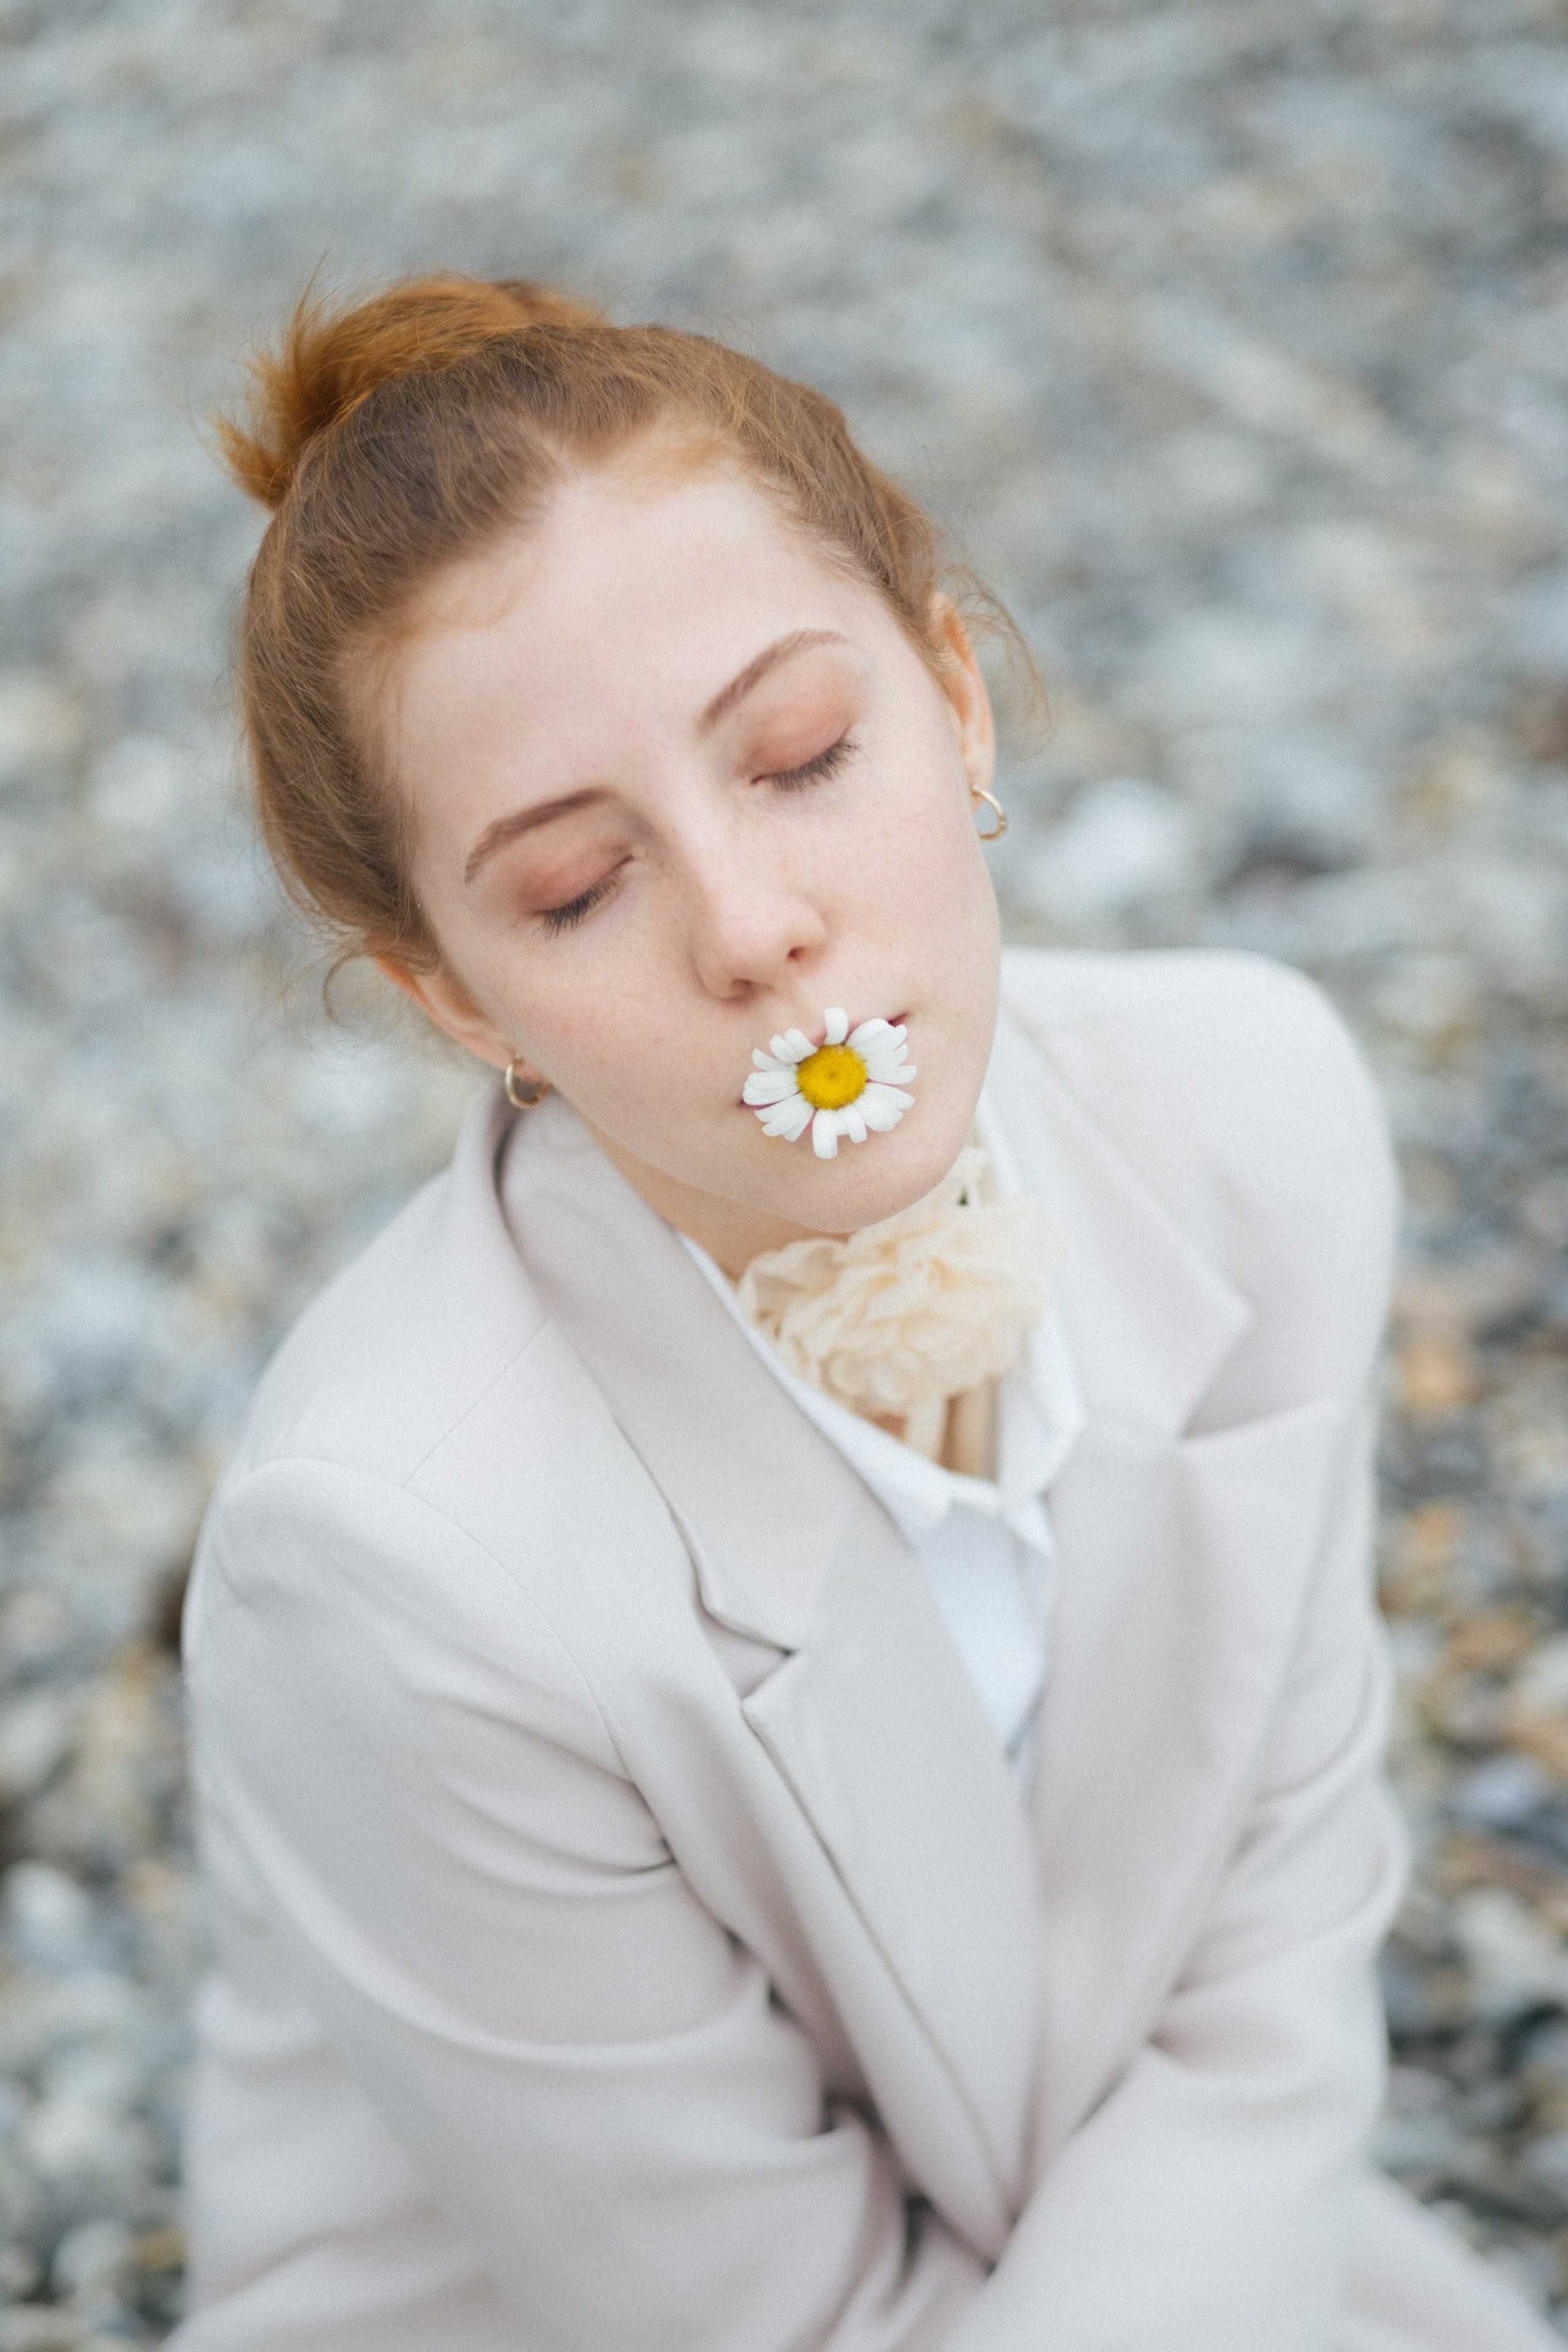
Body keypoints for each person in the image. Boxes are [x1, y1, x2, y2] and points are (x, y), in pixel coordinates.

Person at [170, 274, 1555, 2352]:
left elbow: (1271, 1967)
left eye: (805, 757)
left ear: (958, 698)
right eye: (571, 891)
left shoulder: (1254, 1122)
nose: (754, 931)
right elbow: (755, 2308)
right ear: (456, 995)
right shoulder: (387, 1563)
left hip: (1150, 2232)